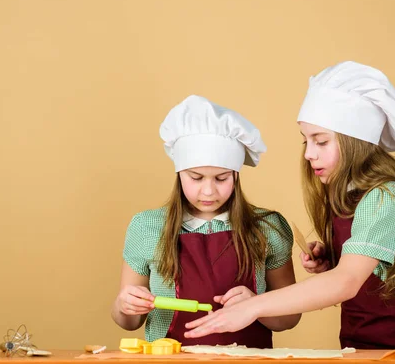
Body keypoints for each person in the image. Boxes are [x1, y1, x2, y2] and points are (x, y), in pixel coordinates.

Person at [185, 62, 395, 349]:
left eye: (321, 141)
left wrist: (254, 306)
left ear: (356, 142)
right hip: (360, 345)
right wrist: (334, 260)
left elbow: (347, 281)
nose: (309, 154)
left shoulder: (385, 195)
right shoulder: (345, 195)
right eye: (306, 141)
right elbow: (361, 273)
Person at [111, 95, 300, 348]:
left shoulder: (268, 227)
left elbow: (289, 318)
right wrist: (126, 305)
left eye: (221, 178)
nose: (209, 191)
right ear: (179, 174)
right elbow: (129, 321)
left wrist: (256, 305)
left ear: (236, 175)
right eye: (196, 178)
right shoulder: (147, 227)